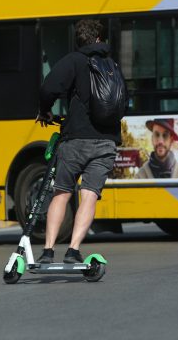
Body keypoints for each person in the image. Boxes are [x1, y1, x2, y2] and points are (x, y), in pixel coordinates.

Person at [35, 19, 119, 264]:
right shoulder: (112, 64)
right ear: (99, 39)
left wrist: (45, 110)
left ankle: (48, 251)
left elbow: (48, 88)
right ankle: (73, 250)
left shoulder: (73, 60)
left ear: (79, 39)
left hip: (76, 140)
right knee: (90, 194)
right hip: (106, 143)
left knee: (61, 193)